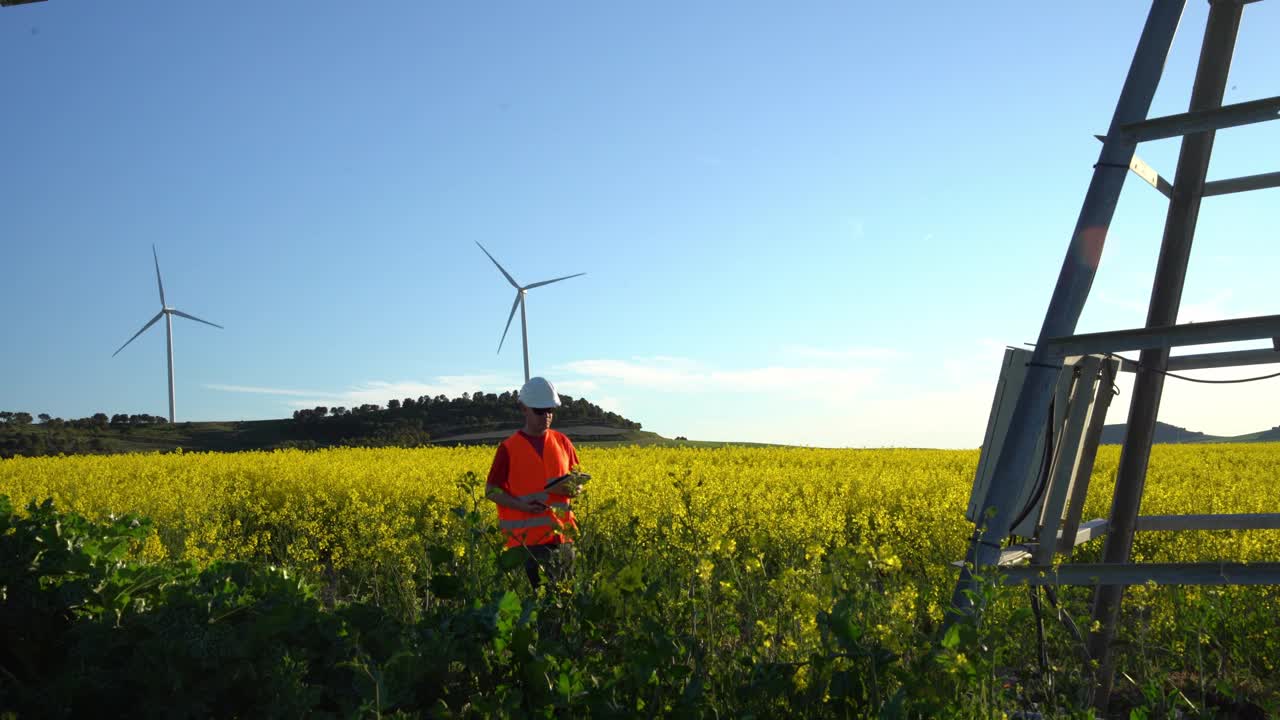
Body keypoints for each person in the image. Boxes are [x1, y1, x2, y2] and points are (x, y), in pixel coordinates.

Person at [486, 376, 583, 589]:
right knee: (539, 610)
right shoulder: (508, 449)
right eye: (539, 411)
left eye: (550, 410)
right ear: (523, 409)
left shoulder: (562, 442)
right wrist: (523, 507)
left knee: (565, 605)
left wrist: (576, 488)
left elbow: (578, 479)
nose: (546, 416)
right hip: (527, 545)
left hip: (563, 539)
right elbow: (491, 491)